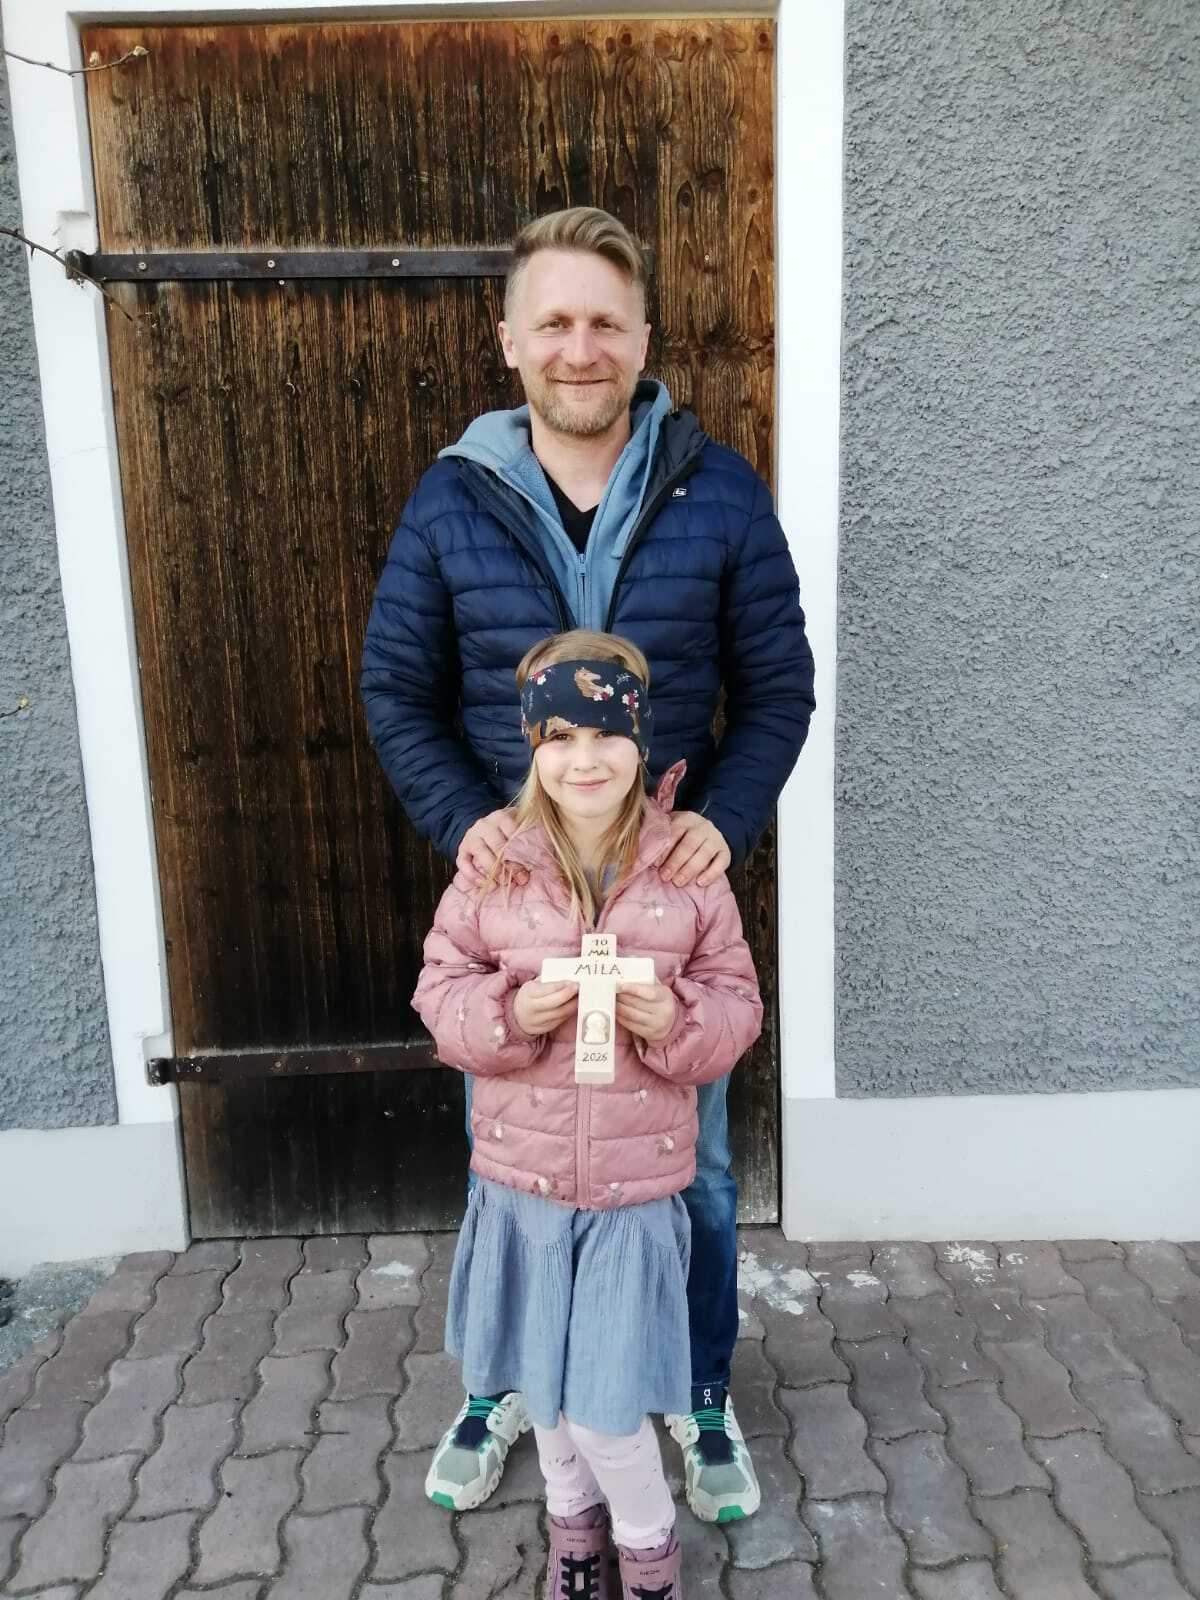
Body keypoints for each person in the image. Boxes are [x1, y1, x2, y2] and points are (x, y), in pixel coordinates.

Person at [361, 205, 815, 1520]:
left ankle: (695, 1388)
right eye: (553, 320)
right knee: (514, 1162)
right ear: (509, 340)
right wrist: (468, 821)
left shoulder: (717, 492)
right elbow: (397, 690)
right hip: (522, 909)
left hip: (662, 900)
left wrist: (727, 817)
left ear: (643, 339)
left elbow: (777, 688)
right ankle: (508, 1382)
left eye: (605, 322)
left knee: (694, 1172)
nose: (580, 346)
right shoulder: (452, 500)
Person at [412, 631, 763, 1599]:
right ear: (532, 746)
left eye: (607, 733)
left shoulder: (686, 867)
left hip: (629, 1199)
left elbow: (736, 1006)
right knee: (549, 1402)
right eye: (560, 736)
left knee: (606, 1412)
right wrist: (510, 1015)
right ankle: (575, 1544)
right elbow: (440, 990)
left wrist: (676, 1022)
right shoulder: (494, 864)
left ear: (640, 741)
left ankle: (648, 1558)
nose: (585, 758)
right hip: (522, 1193)